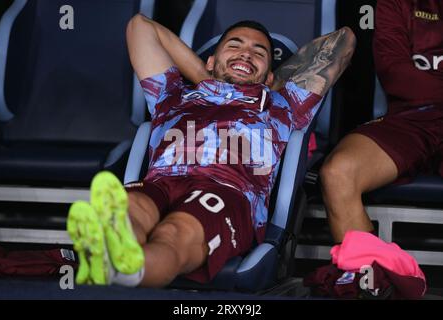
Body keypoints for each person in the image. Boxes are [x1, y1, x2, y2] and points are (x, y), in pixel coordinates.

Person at [67, 14, 355, 288]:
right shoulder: (171, 94)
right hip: (161, 182)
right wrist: (204, 79)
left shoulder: (283, 106)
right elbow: (139, 26)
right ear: (210, 60)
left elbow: (344, 40)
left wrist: (265, 85)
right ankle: (111, 246)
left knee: (174, 232)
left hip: (229, 191)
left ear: (270, 75)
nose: (246, 54)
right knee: (131, 208)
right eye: (235, 46)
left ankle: (129, 267)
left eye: (259, 52)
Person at [320, 0, 443, 243]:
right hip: (411, 119)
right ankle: (365, 275)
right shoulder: (397, 3)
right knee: (338, 172)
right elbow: (395, 73)